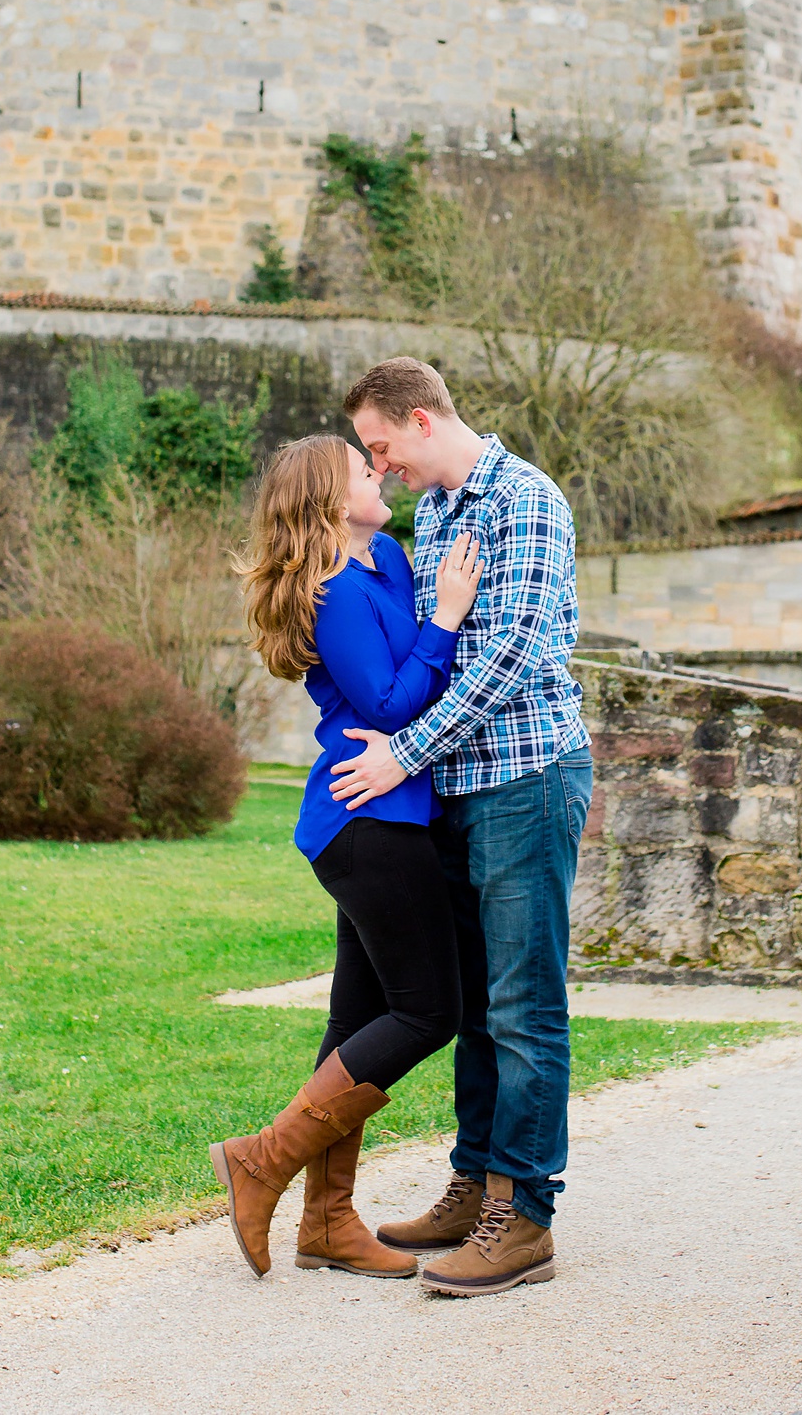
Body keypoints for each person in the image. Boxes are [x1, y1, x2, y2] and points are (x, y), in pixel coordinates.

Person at [330, 357, 592, 1298]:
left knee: (525, 1006)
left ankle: (522, 1218)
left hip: (527, 777)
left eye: (379, 444)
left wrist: (403, 752)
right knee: (480, 1004)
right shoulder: (436, 515)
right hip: (459, 792)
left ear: (419, 419)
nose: (378, 463)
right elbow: (429, 652)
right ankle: (475, 1178)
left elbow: (512, 656)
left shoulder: (526, 498)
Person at [211, 433, 483, 1282]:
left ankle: (326, 1222)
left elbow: (408, 692)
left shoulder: (389, 561)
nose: (381, 474)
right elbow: (391, 702)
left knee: (354, 1028)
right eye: (366, 470)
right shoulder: (331, 594)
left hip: (396, 815)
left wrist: (430, 621)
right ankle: (261, 1160)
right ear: (333, 501)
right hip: (365, 820)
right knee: (428, 1013)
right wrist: (445, 619)